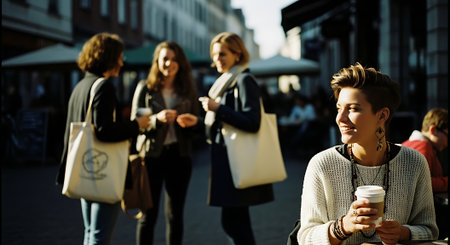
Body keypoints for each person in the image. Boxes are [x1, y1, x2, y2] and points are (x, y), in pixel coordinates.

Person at [297, 63, 438, 244]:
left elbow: (430, 230)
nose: (340, 118)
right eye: (339, 108)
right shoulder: (322, 164)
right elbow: (305, 237)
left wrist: (403, 233)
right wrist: (342, 227)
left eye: (353, 108)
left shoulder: (415, 162)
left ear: (382, 116)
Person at [56, 33, 150, 245]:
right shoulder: (103, 86)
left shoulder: (80, 86)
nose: (121, 61)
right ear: (109, 57)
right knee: (99, 236)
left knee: (91, 232)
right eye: (119, 56)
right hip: (103, 170)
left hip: (82, 167)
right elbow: (105, 130)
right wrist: (137, 125)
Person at [198, 32, 274, 245]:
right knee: (234, 221)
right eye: (214, 54)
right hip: (227, 161)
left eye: (222, 54)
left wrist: (217, 108)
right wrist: (196, 122)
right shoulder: (225, 81)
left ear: (237, 54)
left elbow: (252, 121)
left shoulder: (244, 80)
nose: (217, 59)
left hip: (237, 161)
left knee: (234, 223)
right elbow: (222, 123)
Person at [132, 41, 200, 245]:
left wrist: (192, 122)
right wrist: (156, 120)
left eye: (174, 59)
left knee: (174, 216)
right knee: (147, 217)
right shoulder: (145, 88)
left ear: (180, 63)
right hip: (151, 157)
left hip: (180, 156)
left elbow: (199, 122)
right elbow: (134, 124)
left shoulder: (187, 90)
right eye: (165, 59)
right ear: (157, 62)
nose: (169, 63)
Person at [402, 108, 448, 239]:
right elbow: (424, 182)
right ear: (433, 130)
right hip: (417, 216)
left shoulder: (410, 144)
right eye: (447, 135)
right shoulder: (423, 147)